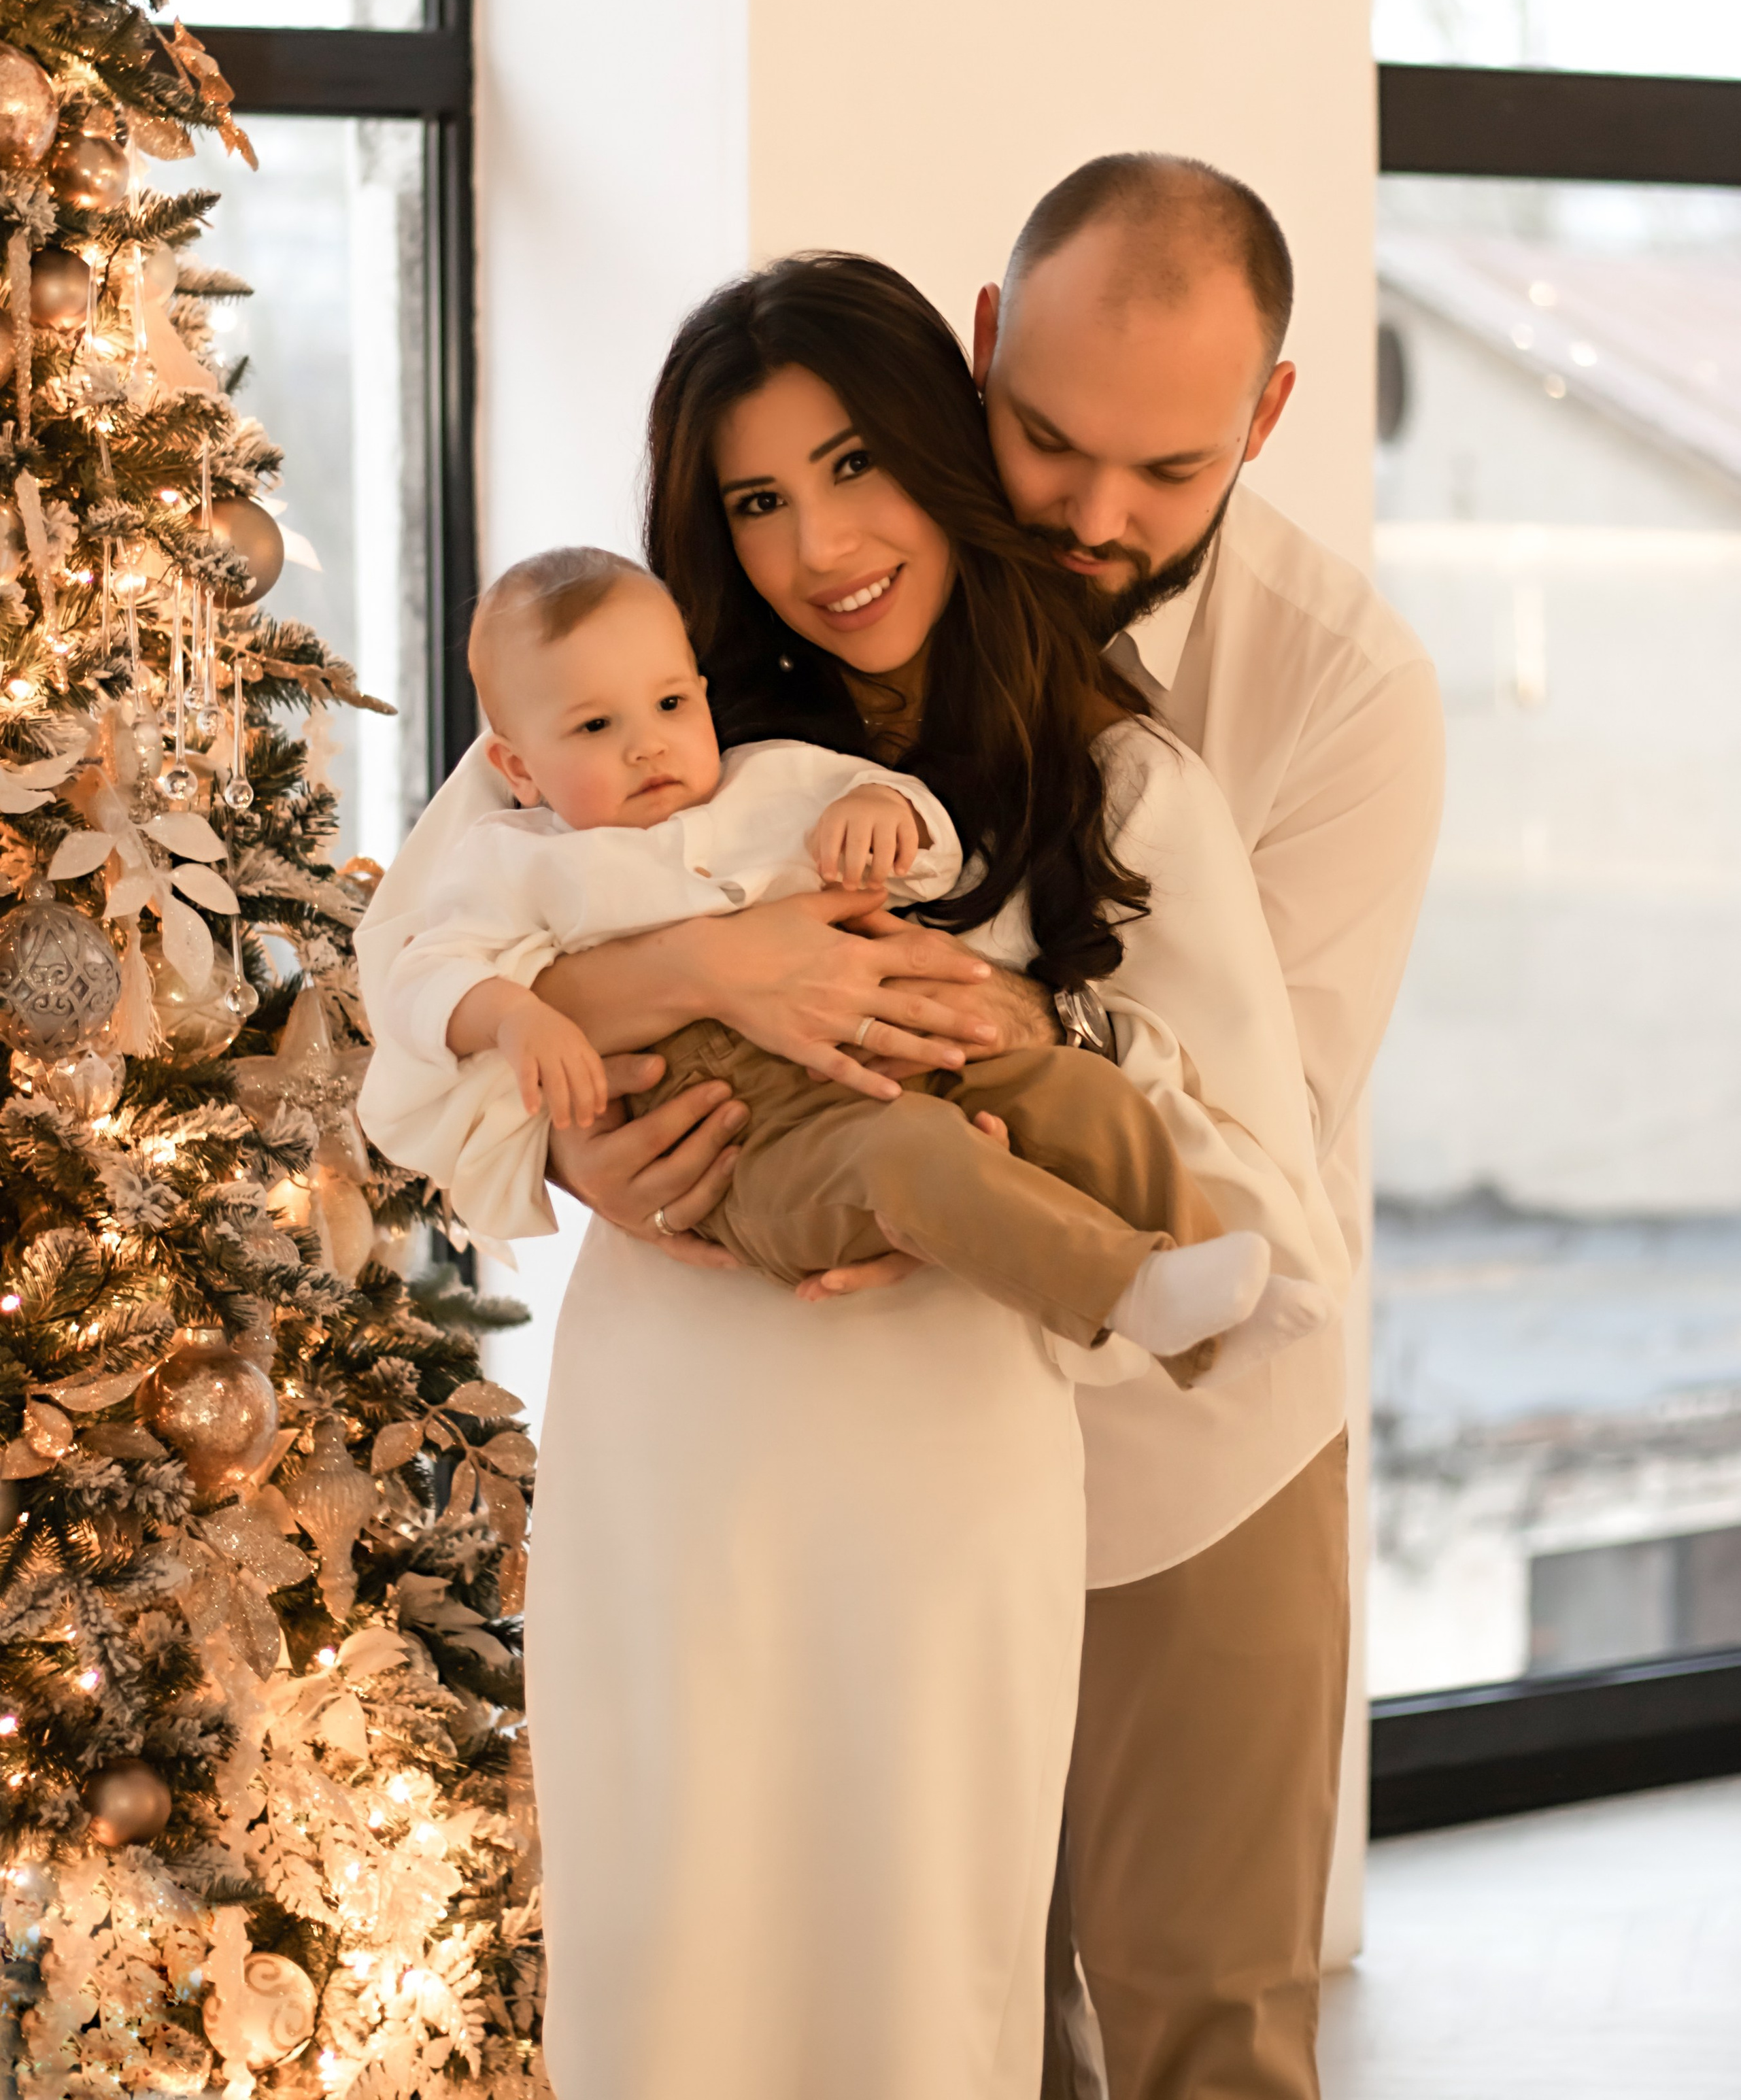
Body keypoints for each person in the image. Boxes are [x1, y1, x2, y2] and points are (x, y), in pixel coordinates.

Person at [356, 252, 1341, 2100]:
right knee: (670, 1961)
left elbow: (1255, 1202)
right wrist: (662, 1030)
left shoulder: (1118, 791)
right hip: (675, 1431)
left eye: (857, 464)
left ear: (947, 448)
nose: (819, 544)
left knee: (917, 1974)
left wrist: (991, 1062)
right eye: (757, 499)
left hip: (942, 1456)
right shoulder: (600, 722)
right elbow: (410, 1053)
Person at [966, 154, 1444, 2100]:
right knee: (945, 2000)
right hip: (900, 1397)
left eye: (1168, 472)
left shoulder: (1350, 693)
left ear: (1269, 413)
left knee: (1207, 2021)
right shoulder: (853, 560)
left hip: (1212, 1432)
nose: (1096, 516)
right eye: (1050, 443)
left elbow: (1259, 1119)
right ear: (984, 346)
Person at [363, 539, 1302, 1366]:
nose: (650, 746)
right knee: (911, 1157)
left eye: (668, 703)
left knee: (1081, 1096)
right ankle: (1125, 1293)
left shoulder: (767, 780)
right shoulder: (516, 860)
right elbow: (422, 980)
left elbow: (928, 842)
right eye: (597, 728)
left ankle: (1207, 1289)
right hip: (755, 1145)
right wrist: (516, 1013)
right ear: (519, 767)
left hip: (903, 1070)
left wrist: (882, 814)